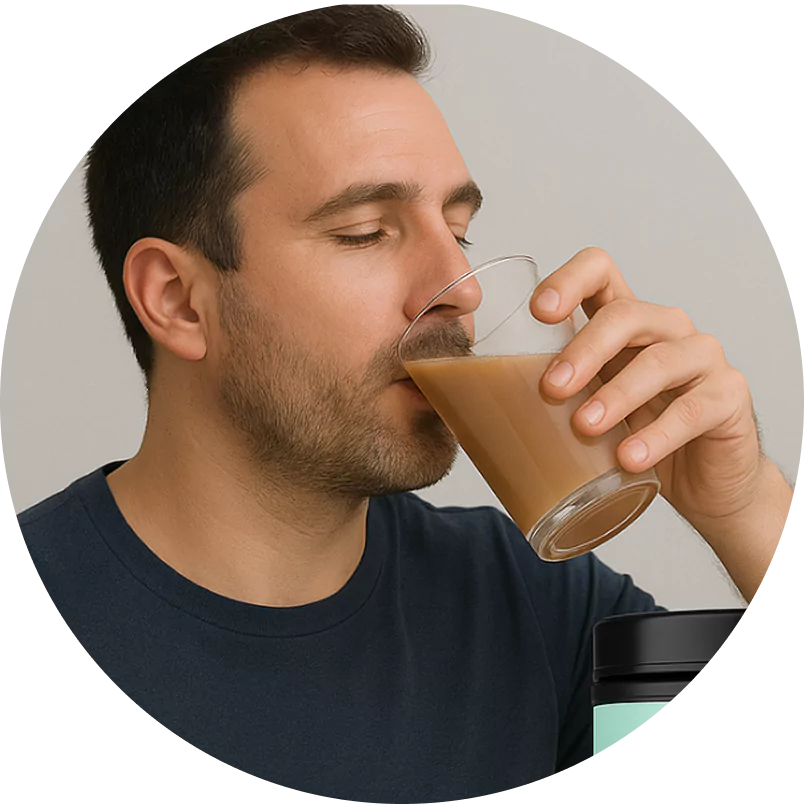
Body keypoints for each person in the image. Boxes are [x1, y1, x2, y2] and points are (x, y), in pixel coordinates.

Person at [14, 5, 793, 800]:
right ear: (178, 299)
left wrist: (747, 508)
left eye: (456, 230)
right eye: (363, 232)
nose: (460, 291)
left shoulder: (524, 599)